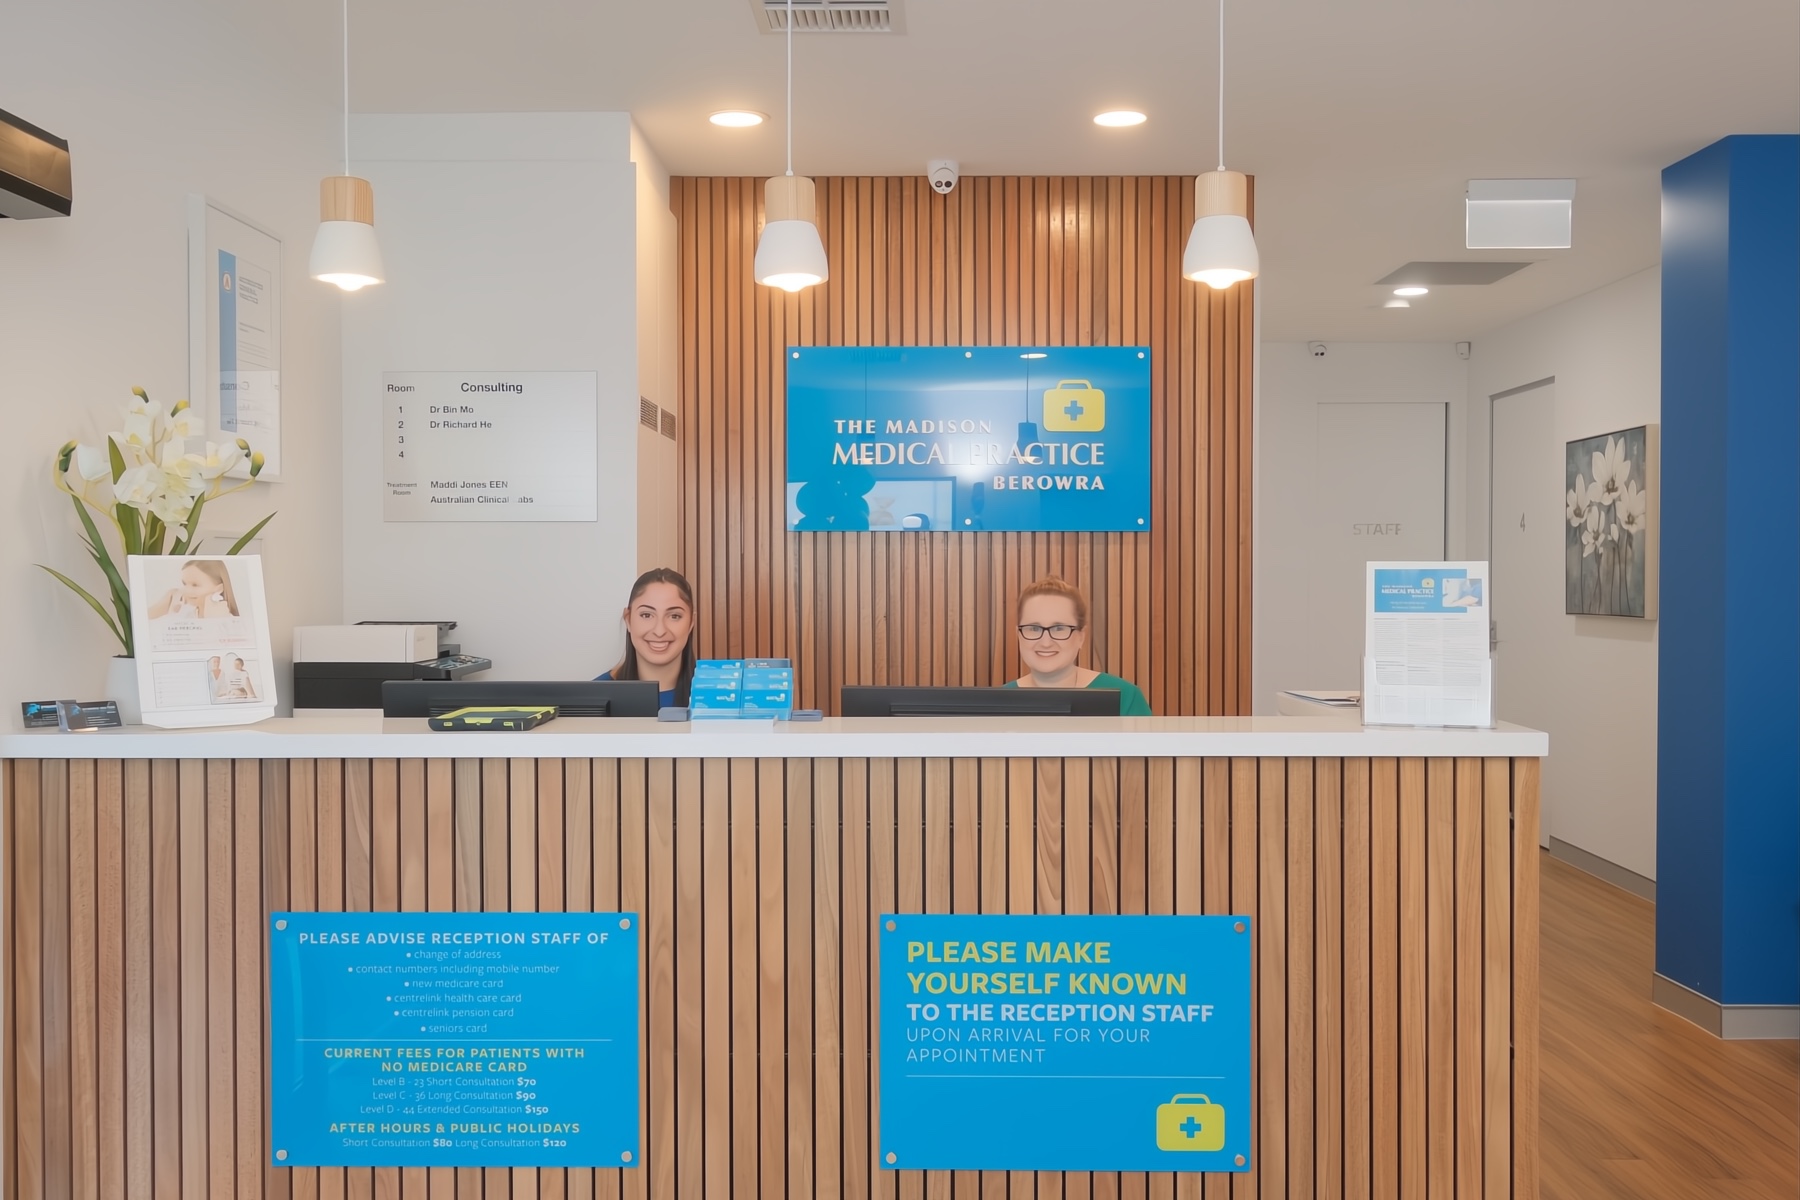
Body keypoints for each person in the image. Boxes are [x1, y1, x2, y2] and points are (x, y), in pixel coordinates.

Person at [1004, 576, 1151, 715]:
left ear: (1081, 636)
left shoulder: (1126, 698)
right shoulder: (997, 701)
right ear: (1018, 635)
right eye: (1034, 628)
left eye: (1059, 628)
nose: (1046, 642)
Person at [596, 567, 697, 708]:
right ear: (628, 620)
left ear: (691, 623)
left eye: (674, 616)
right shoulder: (595, 696)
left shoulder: (721, 695)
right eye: (646, 615)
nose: (659, 631)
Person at [147, 559, 239, 620]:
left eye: (195, 585)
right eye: (184, 584)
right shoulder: (184, 612)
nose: (186, 590)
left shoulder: (229, 621)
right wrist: (172, 615)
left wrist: (214, 621)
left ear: (219, 589)